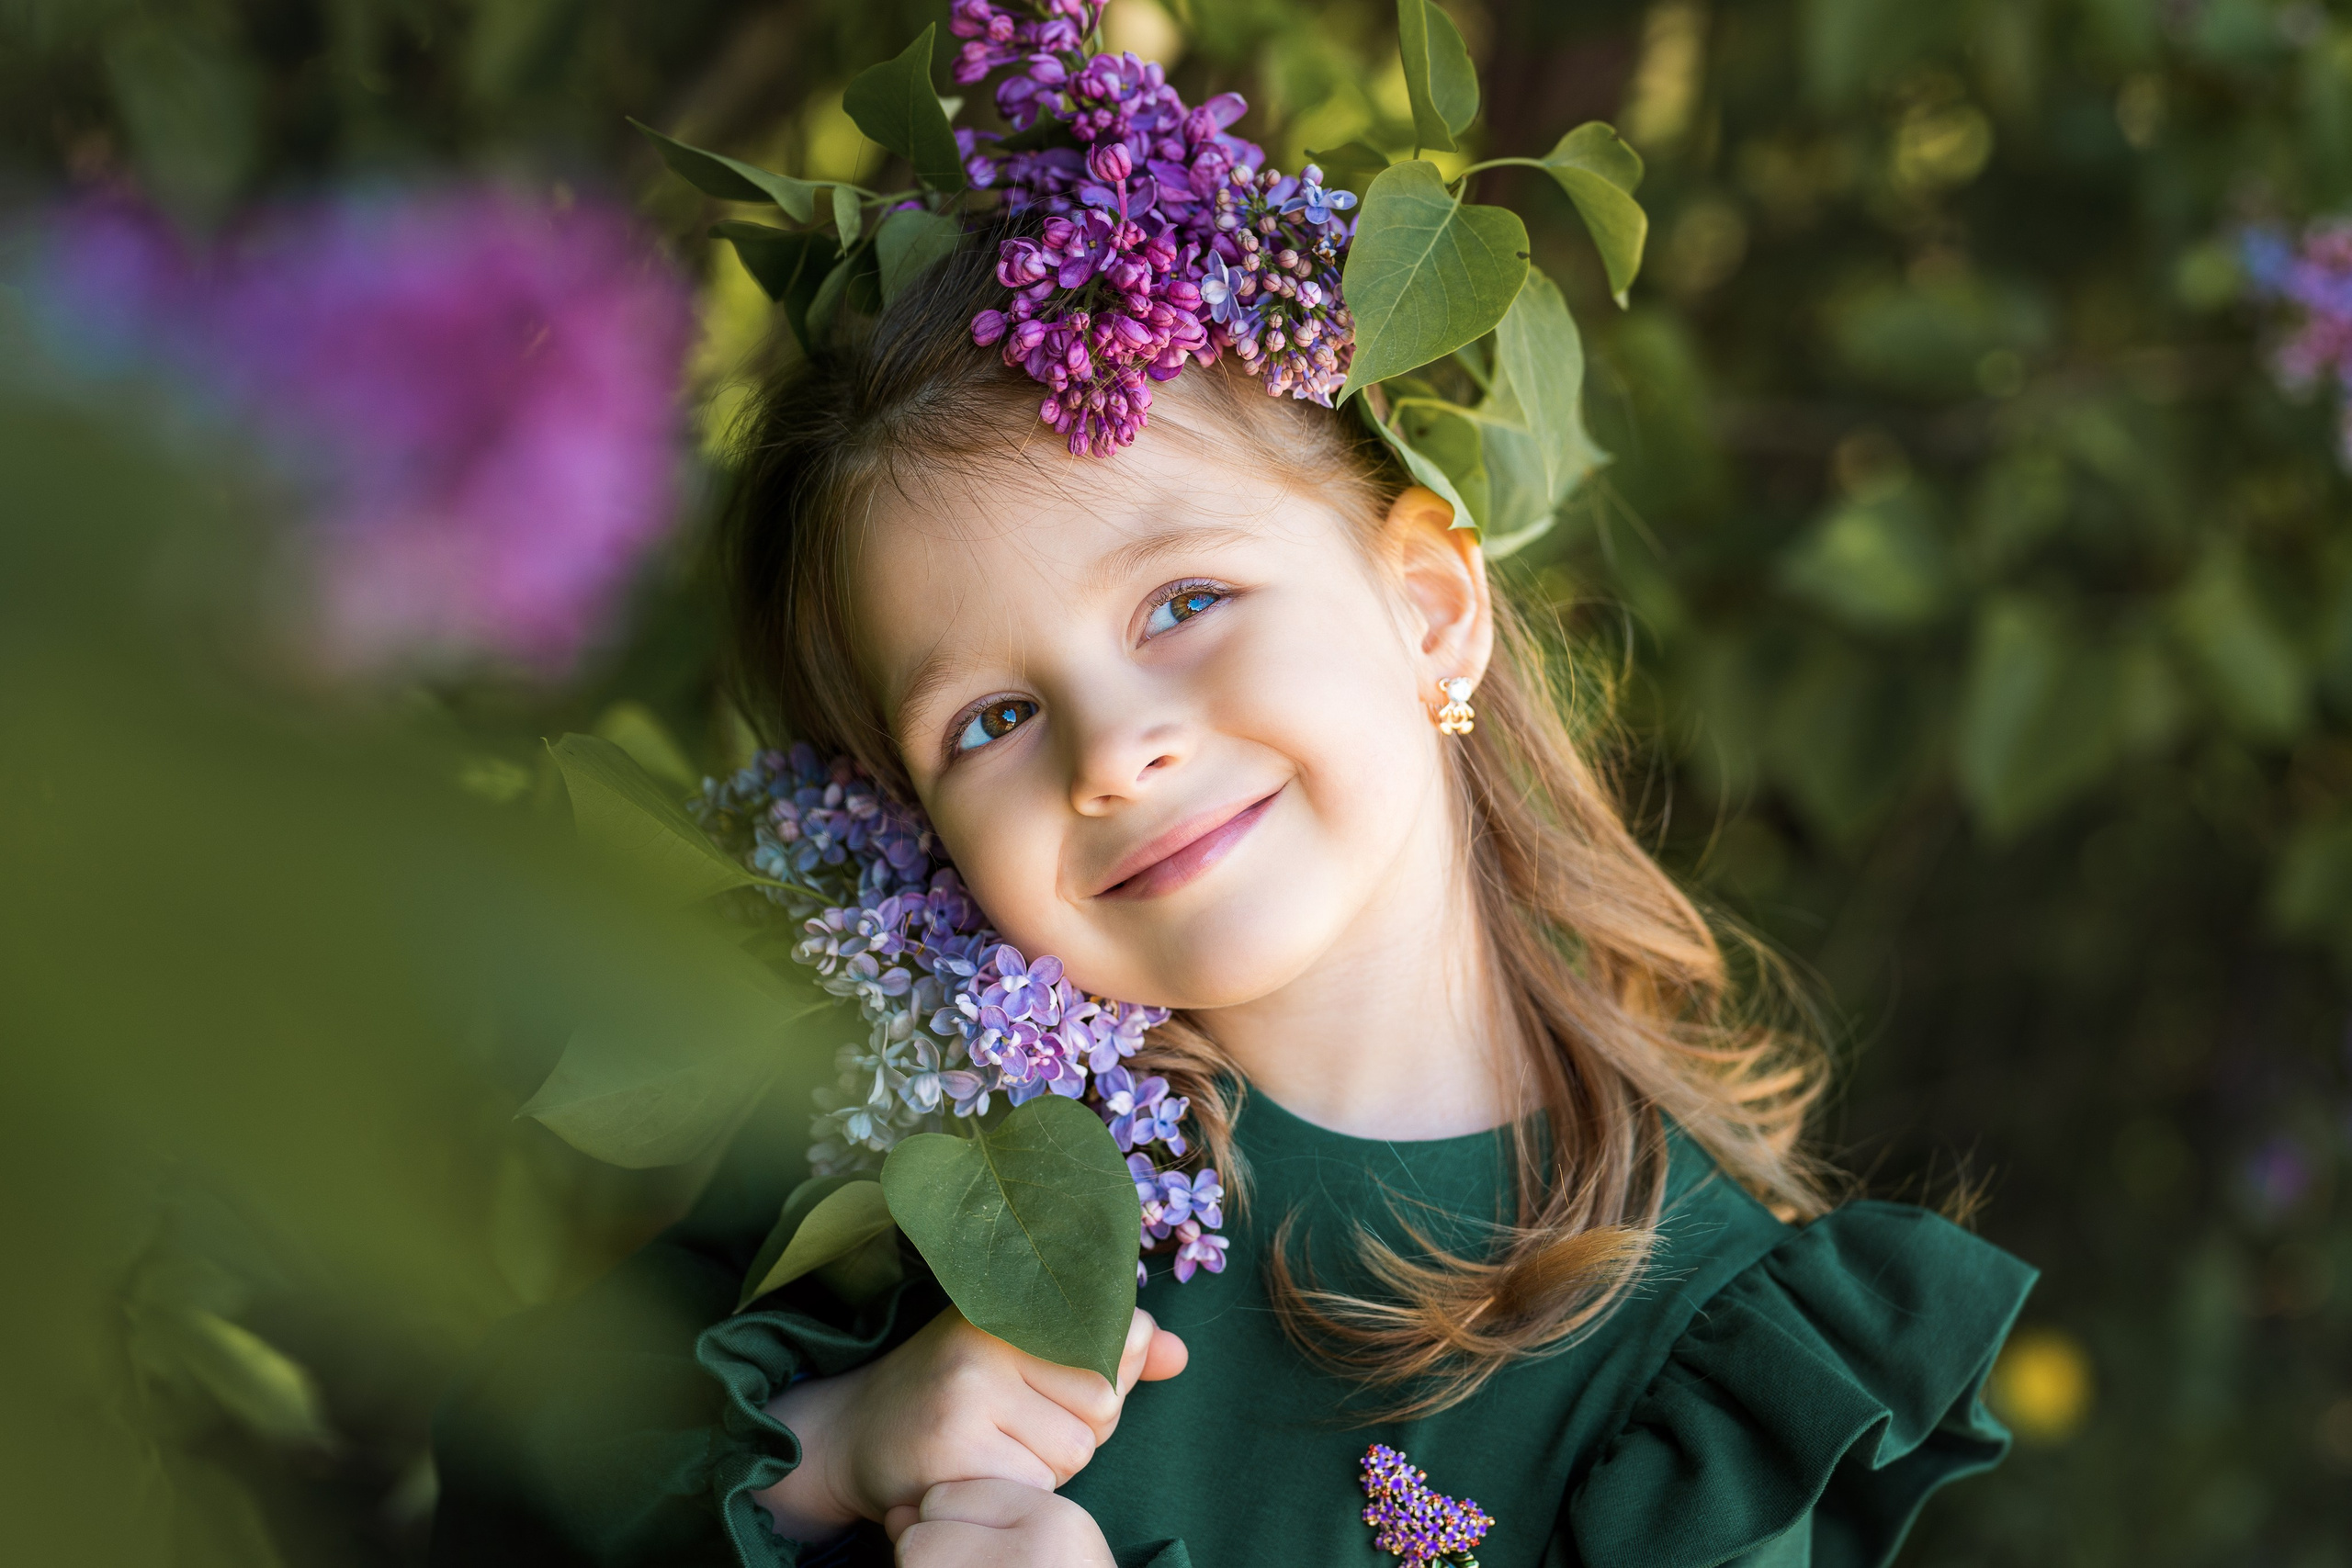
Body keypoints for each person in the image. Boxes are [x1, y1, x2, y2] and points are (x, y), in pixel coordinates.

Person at [428, 216, 2036, 1567]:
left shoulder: (1697, 1375)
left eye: (1184, 600)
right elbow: (507, 1488)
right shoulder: (922, 1162)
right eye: (989, 720)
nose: (1115, 753)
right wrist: (831, 1450)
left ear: (1427, 611)